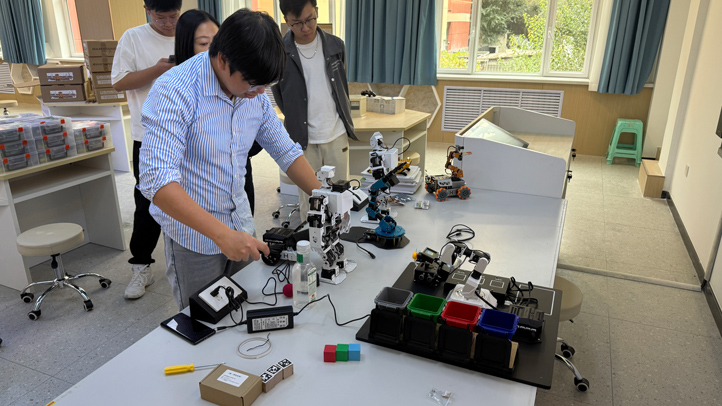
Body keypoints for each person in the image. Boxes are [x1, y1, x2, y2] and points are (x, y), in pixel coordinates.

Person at [139, 9, 322, 310]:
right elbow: (156, 181)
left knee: (245, 310)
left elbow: (285, 151)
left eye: (265, 86)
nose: (259, 93)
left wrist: (324, 198)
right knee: (204, 320)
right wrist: (221, 235)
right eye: (252, 83)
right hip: (194, 238)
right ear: (223, 60)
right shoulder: (176, 91)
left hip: (240, 225)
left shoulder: (253, 92)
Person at [112, 0, 181, 300]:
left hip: (187, 134)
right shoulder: (133, 37)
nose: (168, 24)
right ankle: (141, 266)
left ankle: (194, 259)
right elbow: (119, 83)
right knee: (148, 204)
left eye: (173, 16)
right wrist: (157, 69)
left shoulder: (190, 33)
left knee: (193, 198)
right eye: (160, 17)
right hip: (149, 137)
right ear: (147, 10)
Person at [272, 0, 357, 219]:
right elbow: (280, 96)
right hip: (303, 140)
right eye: (297, 23)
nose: (305, 28)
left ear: (317, 11)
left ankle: (340, 236)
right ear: (286, 21)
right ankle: (311, 239)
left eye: (310, 19)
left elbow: (341, 87)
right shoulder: (280, 53)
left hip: (336, 133)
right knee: (310, 202)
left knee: (340, 198)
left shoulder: (336, 45)